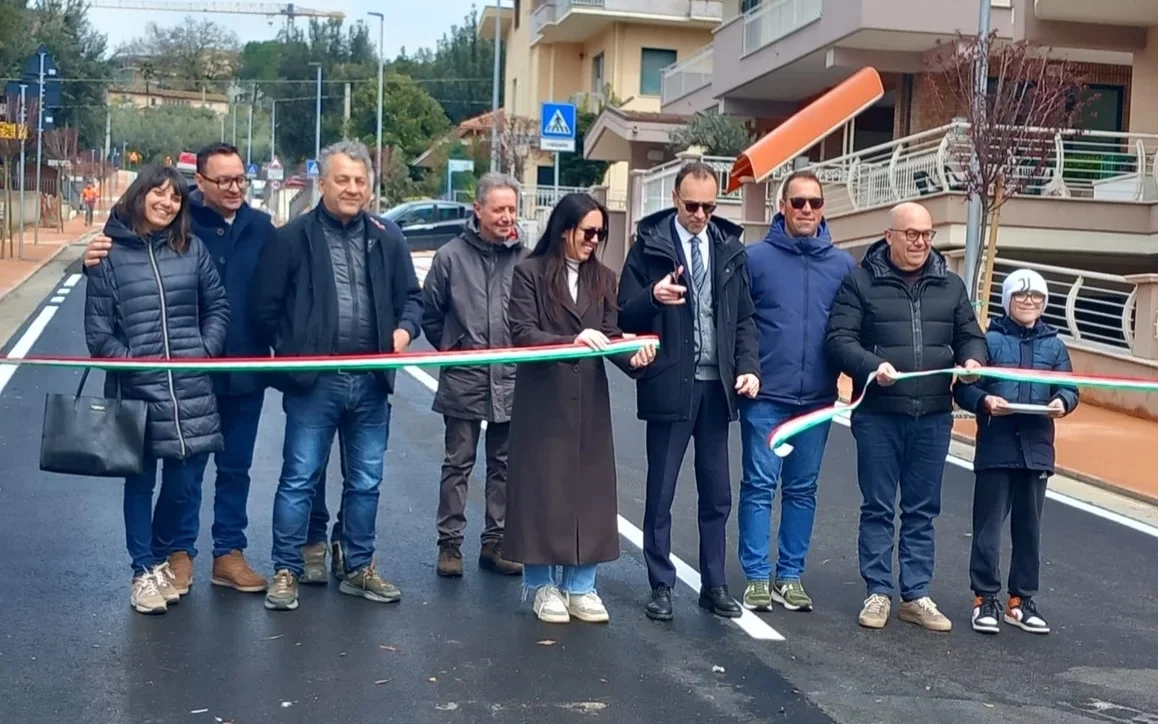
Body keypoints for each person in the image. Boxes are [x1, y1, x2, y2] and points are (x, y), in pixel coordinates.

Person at [83, 143, 275, 596]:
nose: (166, 203)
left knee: (192, 480)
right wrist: (136, 366)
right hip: (140, 390)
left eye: (173, 197)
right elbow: (100, 331)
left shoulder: (206, 244)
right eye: (158, 194)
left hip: (200, 383)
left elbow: (219, 305)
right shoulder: (111, 253)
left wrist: (201, 350)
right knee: (141, 481)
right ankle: (150, 567)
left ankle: (193, 554)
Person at [251, 140, 423, 612]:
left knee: (366, 480)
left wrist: (405, 330)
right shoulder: (291, 239)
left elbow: (413, 298)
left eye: (360, 180)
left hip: (371, 380)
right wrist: (296, 350)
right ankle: (286, 569)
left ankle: (358, 566)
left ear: (370, 186)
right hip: (315, 381)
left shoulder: (388, 237)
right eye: (342, 179)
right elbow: (265, 309)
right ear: (321, 183)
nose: (352, 188)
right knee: (299, 477)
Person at [825, 201, 986, 632]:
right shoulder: (860, 283)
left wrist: (972, 360)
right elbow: (840, 339)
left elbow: (971, 335)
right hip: (878, 414)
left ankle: (916, 594)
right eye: (911, 234)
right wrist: (869, 367)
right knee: (878, 506)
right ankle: (878, 592)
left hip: (933, 415)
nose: (919, 242)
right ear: (889, 236)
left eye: (926, 235)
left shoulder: (950, 286)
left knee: (922, 509)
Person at [618, 162, 761, 622]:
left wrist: (749, 367)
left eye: (709, 206)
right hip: (669, 383)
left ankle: (714, 584)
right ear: (676, 199)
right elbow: (623, 314)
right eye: (692, 205)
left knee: (717, 491)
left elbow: (744, 320)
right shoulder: (648, 247)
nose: (700, 214)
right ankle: (661, 584)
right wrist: (652, 298)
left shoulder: (730, 249)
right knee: (660, 490)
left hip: (716, 389)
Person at [505, 192, 656, 624]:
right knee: (542, 489)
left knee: (589, 492)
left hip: (589, 399)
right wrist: (567, 342)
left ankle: (581, 585)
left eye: (601, 233)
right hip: (542, 398)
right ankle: (540, 584)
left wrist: (633, 356)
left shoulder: (603, 278)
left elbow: (608, 333)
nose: (594, 240)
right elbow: (521, 333)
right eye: (588, 232)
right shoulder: (529, 274)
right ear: (564, 229)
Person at [737, 170, 855, 613]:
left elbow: (850, 329)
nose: (807, 209)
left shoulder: (842, 266)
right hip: (766, 396)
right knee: (760, 486)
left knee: (803, 489)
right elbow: (741, 324)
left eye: (815, 202)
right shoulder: (756, 259)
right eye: (798, 201)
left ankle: (790, 576)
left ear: (823, 208)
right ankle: (755, 577)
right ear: (782, 206)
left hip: (818, 400)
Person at [954, 269, 1077, 635]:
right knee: (988, 528)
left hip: (1037, 449)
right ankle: (984, 598)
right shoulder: (988, 341)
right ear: (1007, 300)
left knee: (1030, 529)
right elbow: (964, 389)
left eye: (1036, 297)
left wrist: (1061, 403)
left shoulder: (1055, 345)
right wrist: (986, 401)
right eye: (1021, 296)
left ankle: (1021, 601)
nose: (1029, 302)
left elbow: (1070, 389)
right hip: (997, 445)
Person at [420, 172, 527, 577]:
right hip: (464, 378)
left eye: (512, 209)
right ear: (477, 210)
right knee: (457, 464)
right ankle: (450, 546)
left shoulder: (525, 258)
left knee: (504, 465)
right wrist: (454, 347)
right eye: (498, 208)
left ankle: (495, 543)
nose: (506, 217)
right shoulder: (450, 256)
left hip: (513, 379)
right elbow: (431, 314)